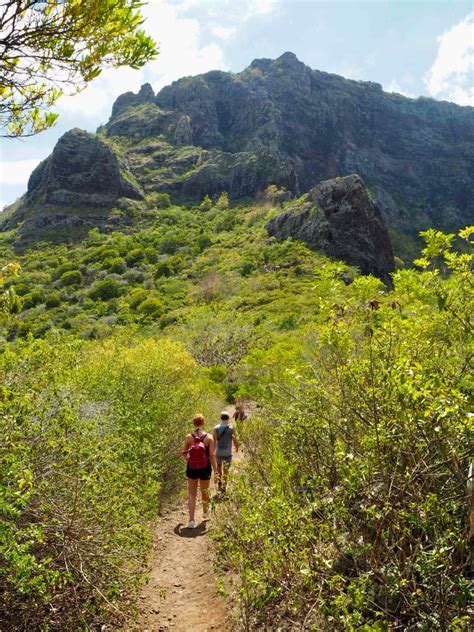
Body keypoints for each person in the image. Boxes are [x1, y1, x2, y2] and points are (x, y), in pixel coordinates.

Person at [181, 413, 217, 529]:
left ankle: (191, 520)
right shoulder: (209, 437)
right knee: (204, 491)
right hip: (205, 467)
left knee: (192, 493)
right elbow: (211, 455)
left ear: (193, 423)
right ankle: (205, 513)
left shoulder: (188, 437)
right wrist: (216, 471)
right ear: (203, 423)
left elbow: (184, 453)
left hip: (191, 467)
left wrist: (189, 460)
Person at [213, 411, 239, 493]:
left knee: (219, 467)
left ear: (221, 418)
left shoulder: (216, 428)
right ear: (228, 418)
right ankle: (224, 486)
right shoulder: (231, 428)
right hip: (228, 453)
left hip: (219, 452)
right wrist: (237, 447)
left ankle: (220, 482)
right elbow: (235, 439)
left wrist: (212, 451)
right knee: (226, 470)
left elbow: (214, 440)